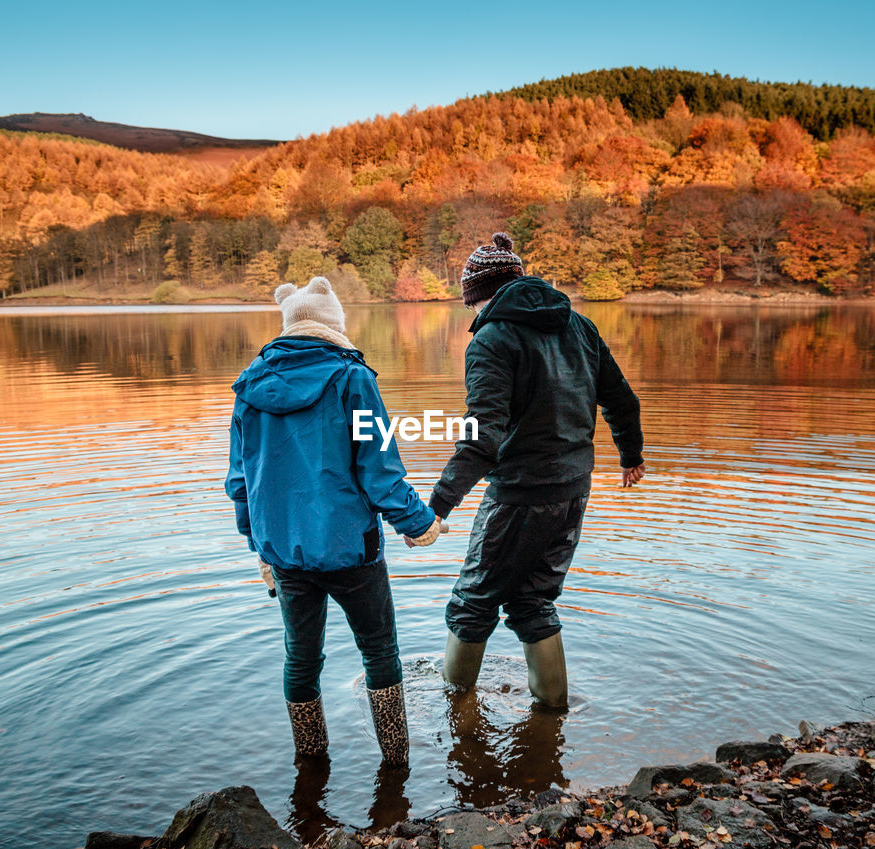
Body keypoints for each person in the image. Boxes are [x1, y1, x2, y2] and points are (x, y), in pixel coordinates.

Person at [225, 276, 445, 767]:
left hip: (284, 553)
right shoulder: (352, 379)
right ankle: (396, 761)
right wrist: (420, 523)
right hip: (352, 550)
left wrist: (258, 548)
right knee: (379, 653)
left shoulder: (249, 384)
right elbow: (380, 471)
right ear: (334, 325)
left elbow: (241, 481)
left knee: (301, 659)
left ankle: (311, 759)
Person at [426, 233, 644, 708]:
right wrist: (631, 456)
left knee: (472, 603)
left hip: (521, 494)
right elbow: (622, 400)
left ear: (479, 294)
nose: (471, 315)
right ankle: (552, 713)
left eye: (470, 304)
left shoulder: (492, 338)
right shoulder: (580, 326)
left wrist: (438, 504)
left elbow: (483, 438)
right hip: (572, 490)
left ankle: (451, 706)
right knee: (533, 600)